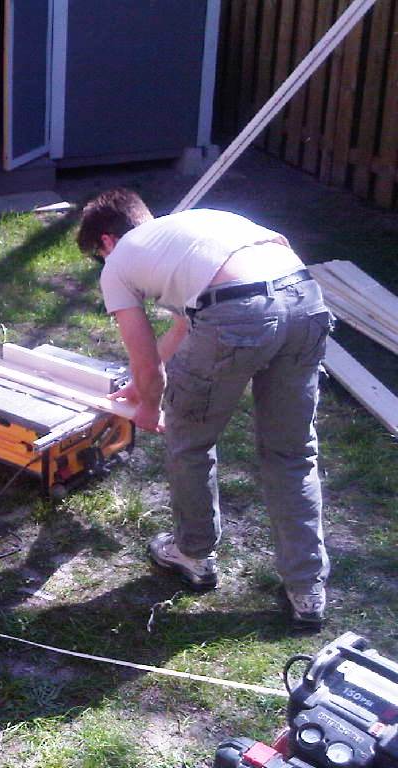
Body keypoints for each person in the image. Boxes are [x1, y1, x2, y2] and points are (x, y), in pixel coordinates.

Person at [77, 188, 333, 626]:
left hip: (237, 310)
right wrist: (143, 387)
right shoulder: (189, 233)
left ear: (106, 243)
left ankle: (192, 553)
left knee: (189, 441)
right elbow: (181, 329)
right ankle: (307, 588)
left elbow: (144, 362)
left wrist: (147, 408)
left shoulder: (119, 262)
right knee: (291, 453)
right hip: (305, 299)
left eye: (99, 257)